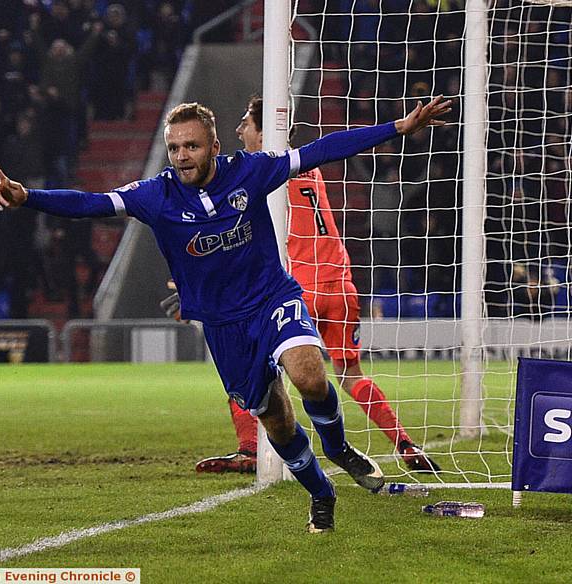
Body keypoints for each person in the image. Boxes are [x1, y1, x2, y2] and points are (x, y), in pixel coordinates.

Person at [0, 96, 450, 533]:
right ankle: (320, 490)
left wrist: (399, 127)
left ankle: (337, 446)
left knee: (310, 375)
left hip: (272, 297)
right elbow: (91, 203)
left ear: (213, 145)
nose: (182, 155)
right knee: (278, 422)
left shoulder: (249, 172)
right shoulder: (156, 195)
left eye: (191, 145)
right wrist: (28, 196)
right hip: (224, 325)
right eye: (174, 148)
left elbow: (320, 151)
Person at [173, 96, 438, 476]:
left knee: (245, 364)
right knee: (351, 375)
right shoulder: (307, 168)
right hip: (341, 284)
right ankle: (405, 443)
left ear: (265, 133)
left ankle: (251, 450)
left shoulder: (260, 176)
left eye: (246, 123)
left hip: (296, 288)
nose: (238, 130)